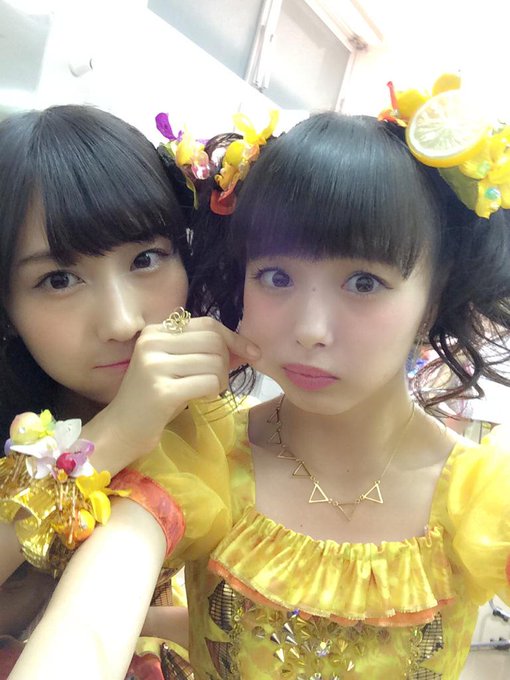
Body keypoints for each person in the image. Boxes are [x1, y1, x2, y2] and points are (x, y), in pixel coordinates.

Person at [10, 103, 510, 679]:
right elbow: (90, 626)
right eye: (276, 277)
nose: (311, 330)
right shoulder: (199, 452)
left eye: (363, 283)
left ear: (435, 295)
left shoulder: (483, 497)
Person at [0, 104, 257, 677]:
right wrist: (114, 435)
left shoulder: (202, 419)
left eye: (145, 258)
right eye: (58, 279)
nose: (122, 321)